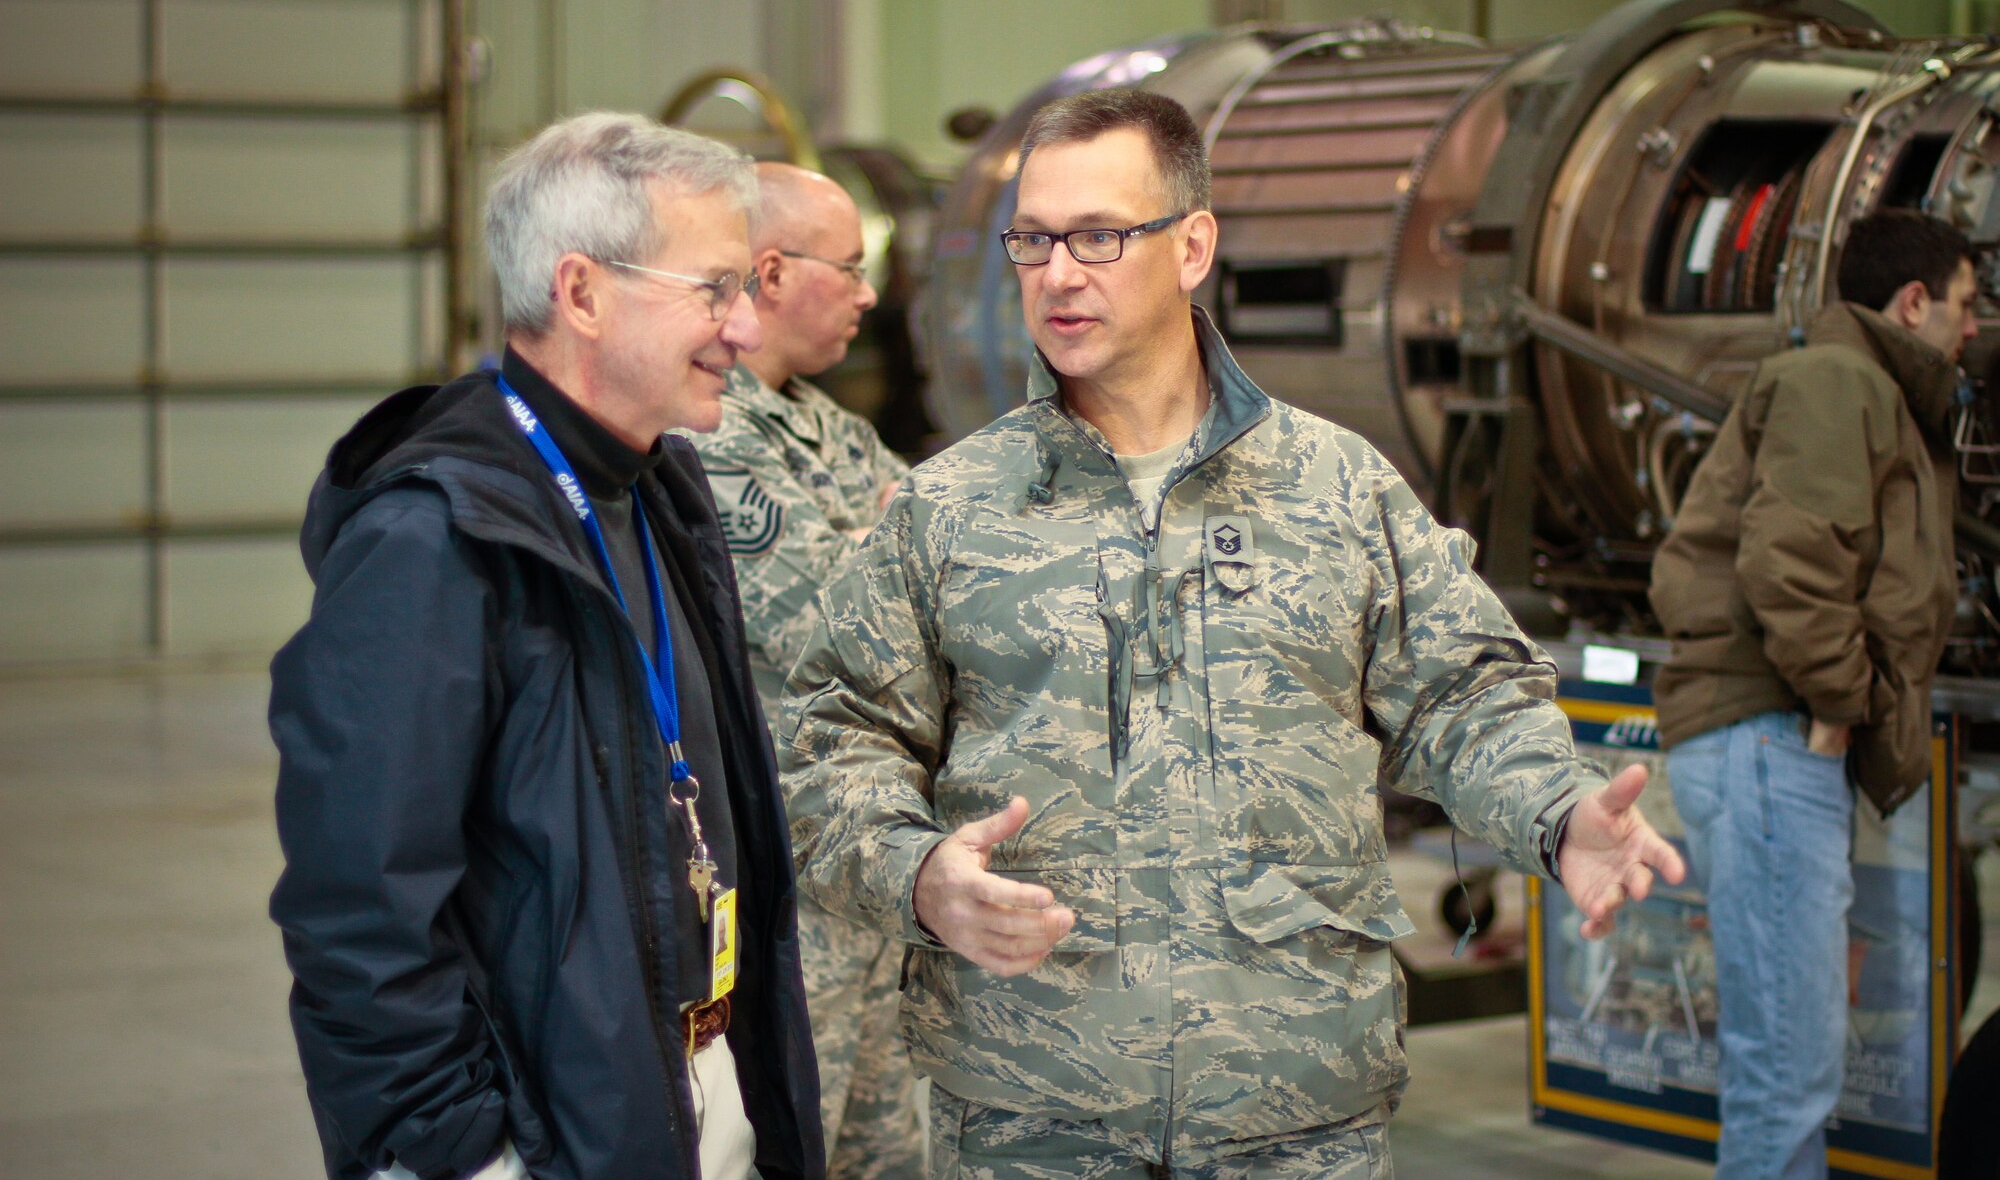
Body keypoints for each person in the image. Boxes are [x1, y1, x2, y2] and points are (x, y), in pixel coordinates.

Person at [775, 87, 1684, 1177]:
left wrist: (1555, 808)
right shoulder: (950, 509)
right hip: (1028, 1115)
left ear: (1192, 244)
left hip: (1292, 1108)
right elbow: (833, 740)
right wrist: (915, 874)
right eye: (1033, 240)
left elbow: (1461, 693)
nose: (1058, 272)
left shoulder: (1334, 488)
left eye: (1099, 235)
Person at [268, 112, 824, 1180]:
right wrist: (458, 1154)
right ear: (580, 292)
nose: (746, 328)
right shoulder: (428, 541)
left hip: (683, 1096)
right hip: (536, 1136)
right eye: (713, 288)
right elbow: (358, 913)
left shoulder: (656, 488)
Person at [1651, 208, 1977, 1179]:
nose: (1971, 329)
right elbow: (1789, 565)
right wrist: (1838, 710)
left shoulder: (1860, 385)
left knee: (1788, 1065)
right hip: (1774, 738)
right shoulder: (1839, 381)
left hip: (1773, 743)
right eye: (1962, 306)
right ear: (1911, 301)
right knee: (1786, 1074)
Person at [689, 162, 921, 1178]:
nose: (869, 294)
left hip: (873, 860)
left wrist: (884, 550)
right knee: (789, 1143)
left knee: (879, 1147)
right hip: (788, 877)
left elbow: (952, 560)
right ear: (772, 273)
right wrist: (886, 556)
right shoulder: (710, 433)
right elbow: (839, 624)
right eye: (850, 268)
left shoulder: (825, 424)